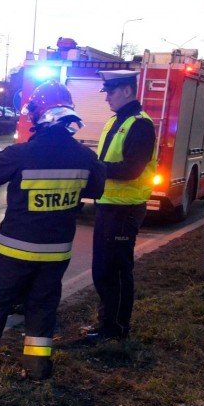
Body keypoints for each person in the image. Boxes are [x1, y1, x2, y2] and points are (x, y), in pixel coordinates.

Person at [0, 81, 106, 380]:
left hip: (15, 249)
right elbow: (97, 189)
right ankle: (38, 367)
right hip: (56, 253)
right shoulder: (84, 157)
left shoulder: (23, 153)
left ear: (38, 116)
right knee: (43, 306)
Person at [84, 69, 157, 342]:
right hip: (110, 206)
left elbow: (132, 169)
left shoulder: (139, 124)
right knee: (103, 270)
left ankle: (115, 329)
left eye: (111, 92)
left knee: (115, 271)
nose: (106, 98)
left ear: (127, 90)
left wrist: (97, 169)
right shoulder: (117, 121)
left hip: (124, 209)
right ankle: (106, 324)